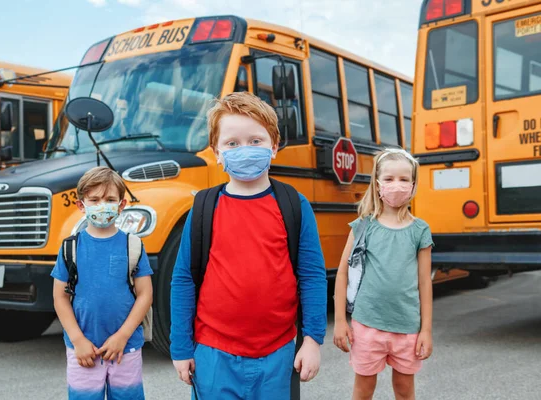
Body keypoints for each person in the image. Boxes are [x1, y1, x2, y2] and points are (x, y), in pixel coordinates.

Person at [170, 92, 328, 399]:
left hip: (278, 354)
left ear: (274, 147)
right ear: (216, 152)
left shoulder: (294, 205)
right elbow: (183, 279)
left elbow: (312, 277)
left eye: (256, 141)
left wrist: (312, 340)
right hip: (213, 353)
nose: (245, 150)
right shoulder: (203, 208)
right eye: (232, 144)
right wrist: (181, 347)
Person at [333, 148, 434, 400]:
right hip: (367, 325)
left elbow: (424, 283)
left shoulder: (420, 230)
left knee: (404, 389)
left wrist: (426, 330)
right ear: (377, 184)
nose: (396, 185)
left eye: (403, 179)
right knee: (363, 390)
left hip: (407, 326)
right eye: (389, 179)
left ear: (413, 185)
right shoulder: (362, 227)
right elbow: (343, 274)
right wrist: (340, 321)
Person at [51, 166, 153, 400]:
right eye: (94, 199)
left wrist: (122, 336)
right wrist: (78, 340)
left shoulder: (133, 246)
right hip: (83, 351)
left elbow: (145, 294)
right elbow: (60, 297)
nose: (102, 205)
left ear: (121, 205)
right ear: (81, 205)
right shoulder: (70, 248)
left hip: (125, 349)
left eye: (109, 199)